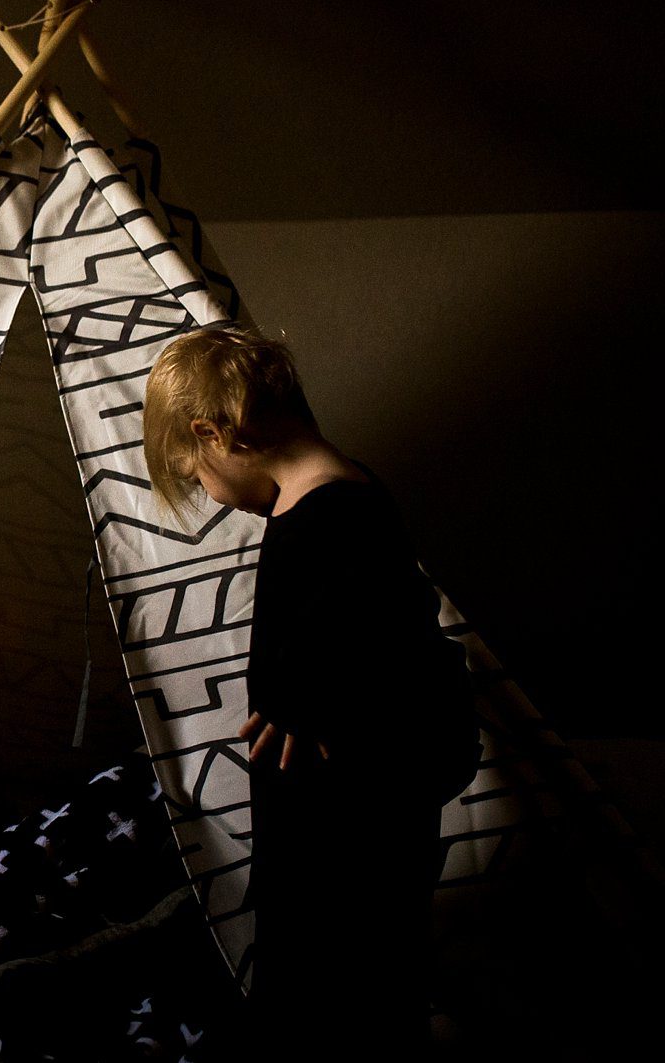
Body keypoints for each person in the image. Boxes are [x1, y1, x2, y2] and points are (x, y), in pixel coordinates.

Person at [142, 323, 480, 1061]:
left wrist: (314, 702)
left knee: (343, 1003)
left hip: (351, 837)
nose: (210, 493)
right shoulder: (327, 500)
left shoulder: (335, 516)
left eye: (196, 475)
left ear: (216, 432)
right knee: (324, 994)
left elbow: (392, 656)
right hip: (324, 827)